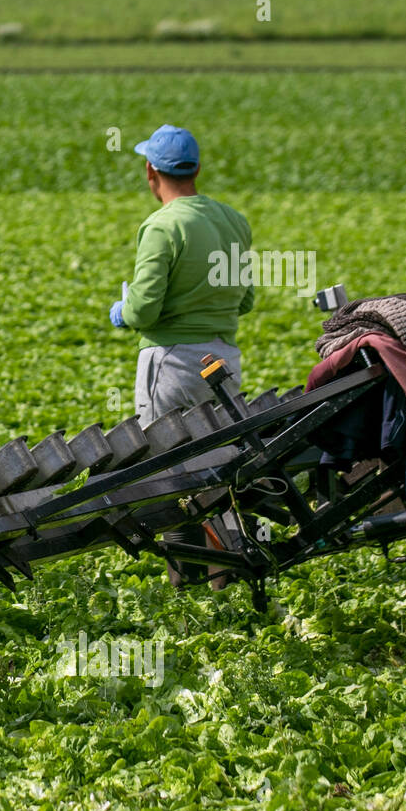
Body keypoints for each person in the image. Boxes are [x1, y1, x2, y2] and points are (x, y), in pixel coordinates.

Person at [111, 124, 253, 586]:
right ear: (196, 169)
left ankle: (184, 582)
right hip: (223, 358)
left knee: (169, 468)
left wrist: (122, 310)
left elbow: (145, 307)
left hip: (171, 361)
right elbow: (245, 300)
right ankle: (227, 573)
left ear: (151, 171)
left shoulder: (162, 226)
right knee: (219, 465)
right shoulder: (232, 219)